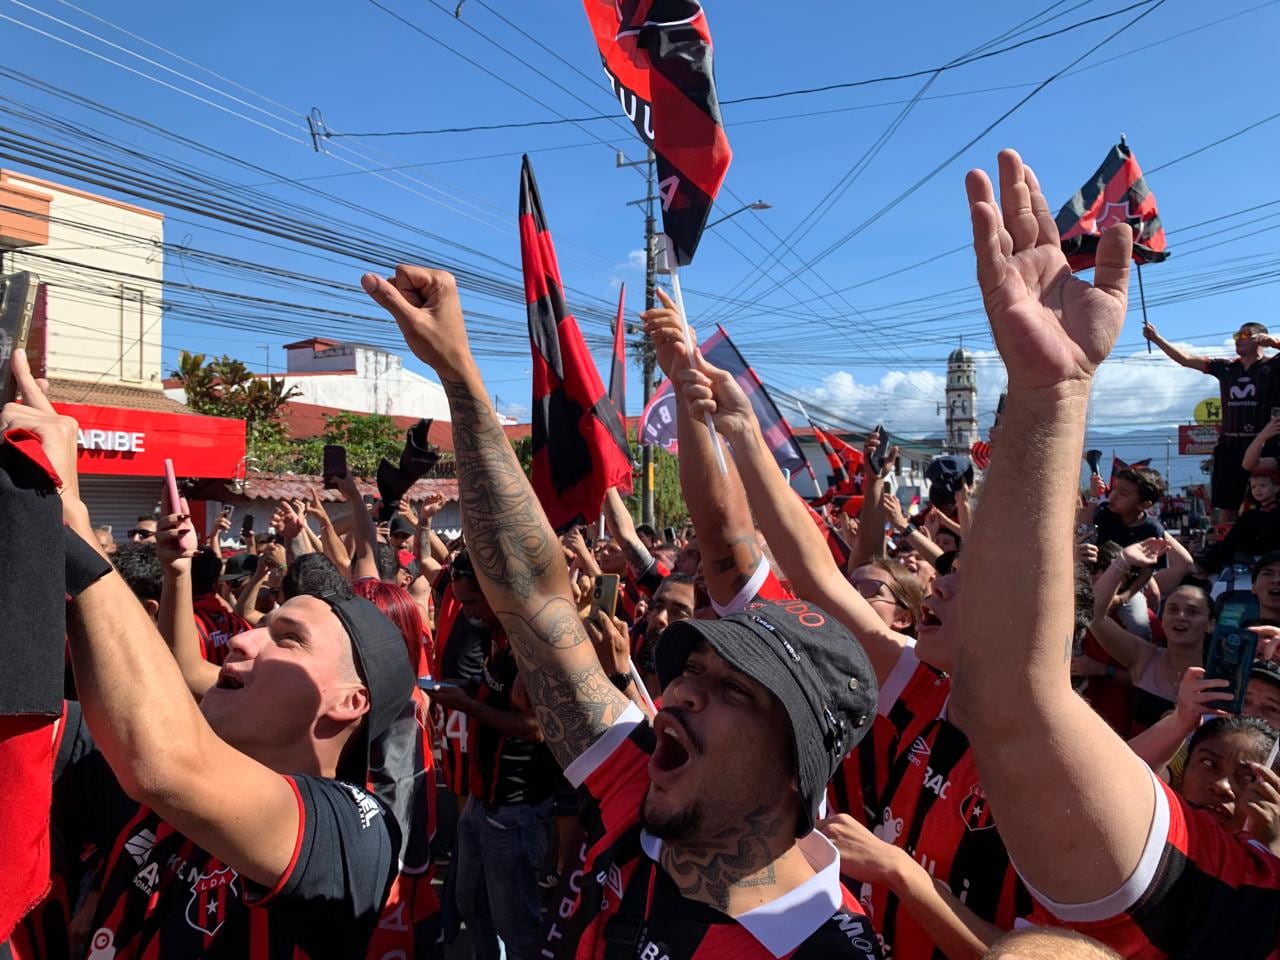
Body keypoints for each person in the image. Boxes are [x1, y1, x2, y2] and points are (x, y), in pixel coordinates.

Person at [362, 264, 884, 959]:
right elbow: (532, 598)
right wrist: (460, 375)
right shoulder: (639, 789)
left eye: (734, 689)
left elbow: (727, 540)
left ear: (798, 765)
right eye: (692, 670)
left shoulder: (823, 951)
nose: (682, 693)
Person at [951, 148, 1280, 957]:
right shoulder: (1240, 896)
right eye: (1216, 766)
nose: (1226, 789)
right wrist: (1050, 397)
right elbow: (1013, 702)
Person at [653, 294, 1052, 953]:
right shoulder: (928, 693)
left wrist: (902, 876)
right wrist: (743, 431)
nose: (939, 585)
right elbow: (818, 577)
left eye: (963, 579)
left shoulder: (1057, 776)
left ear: (1026, 617)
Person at [0, 348, 416, 956]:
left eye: (288, 639)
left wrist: (70, 513)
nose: (243, 638)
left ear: (351, 702)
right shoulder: (142, 782)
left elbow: (164, 761)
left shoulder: (353, 832)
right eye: (262, 624)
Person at [1144, 319, 1275, 521]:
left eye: (1244, 335)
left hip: (1265, 446)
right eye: (1236, 335)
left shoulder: (1274, 365)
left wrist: (1274, 342)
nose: (1237, 339)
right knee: (1227, 505)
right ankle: (1226, 539)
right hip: (1229, 447)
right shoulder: (1227, 367)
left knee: (1268, 499)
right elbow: (1186, 359)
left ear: (1260, 338)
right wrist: (1157, 338)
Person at [1197, 468, 1280, 573]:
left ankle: (1209, 561)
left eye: (1263, 486)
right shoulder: (1254, 513)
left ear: (1276, 488)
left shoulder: (1265, 514)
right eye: (1254, 487)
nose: (1258, 490)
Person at [1092, 466, 1166, 548]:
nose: (1112, 496)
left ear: (1144, 505)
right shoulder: (1105, 514)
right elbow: (1085, 529)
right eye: (1114, 489)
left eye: (1123, 494)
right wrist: (1093, 497)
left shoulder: (1151, 530)